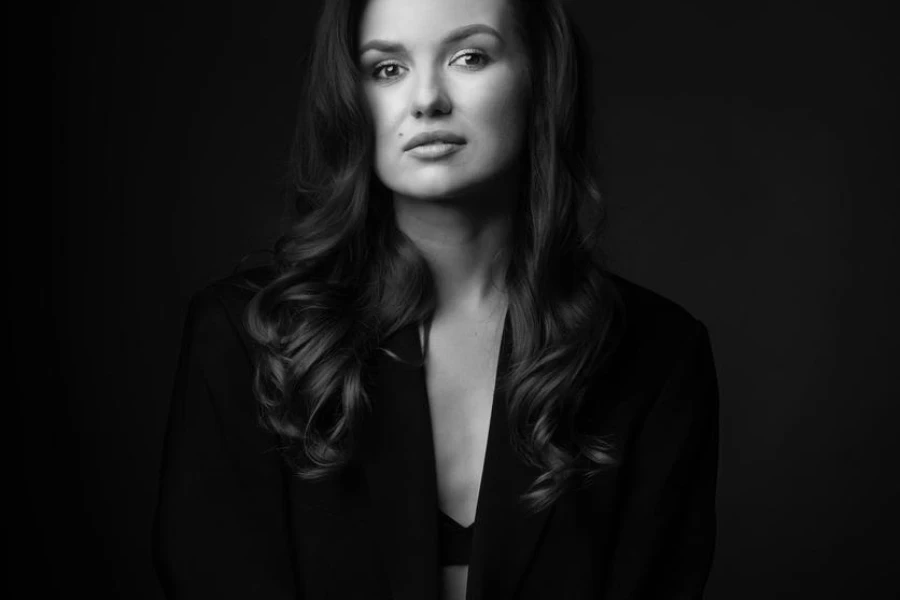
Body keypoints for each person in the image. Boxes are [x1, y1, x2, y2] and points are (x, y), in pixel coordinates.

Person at [152, 0, 720, 598]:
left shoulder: (657, 356)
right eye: (386, 69)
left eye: (469, 56)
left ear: (539, 77)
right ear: (350, 96)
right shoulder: (248, 339)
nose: (427, 99)